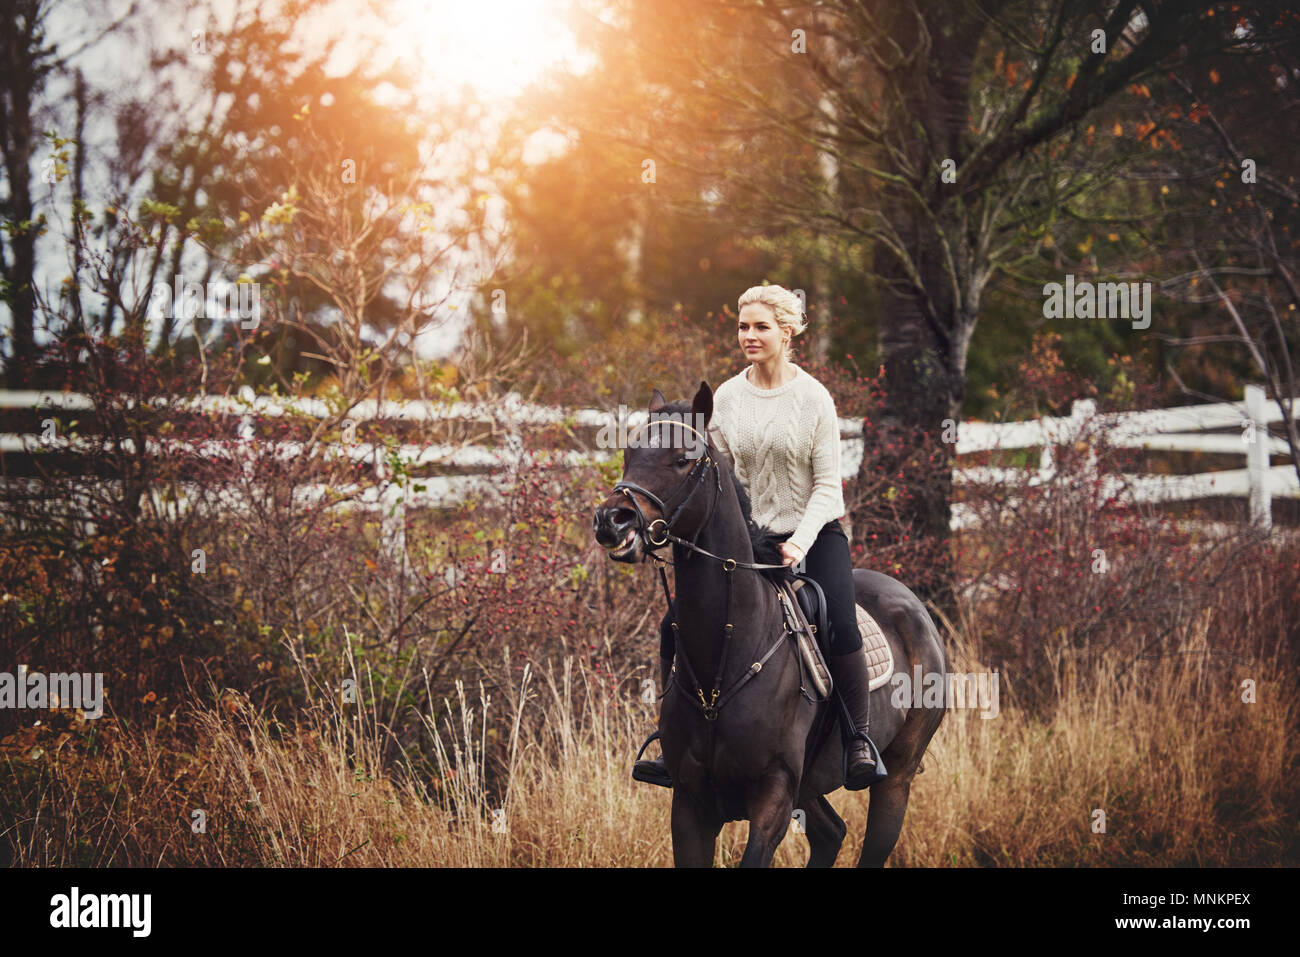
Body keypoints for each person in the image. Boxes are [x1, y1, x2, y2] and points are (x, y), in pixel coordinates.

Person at [633, 283, 884, 791]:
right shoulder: (726, 396)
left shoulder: (814, 399)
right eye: (743, 326)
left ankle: (858, 738)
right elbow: (718, 479)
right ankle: (667, 740)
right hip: (748, 540)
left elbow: (827, 487)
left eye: (761, 327)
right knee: (672, 625)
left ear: (786, 332)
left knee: (838, 622)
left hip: (814, 532)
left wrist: (800, 541)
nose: (749, 335)